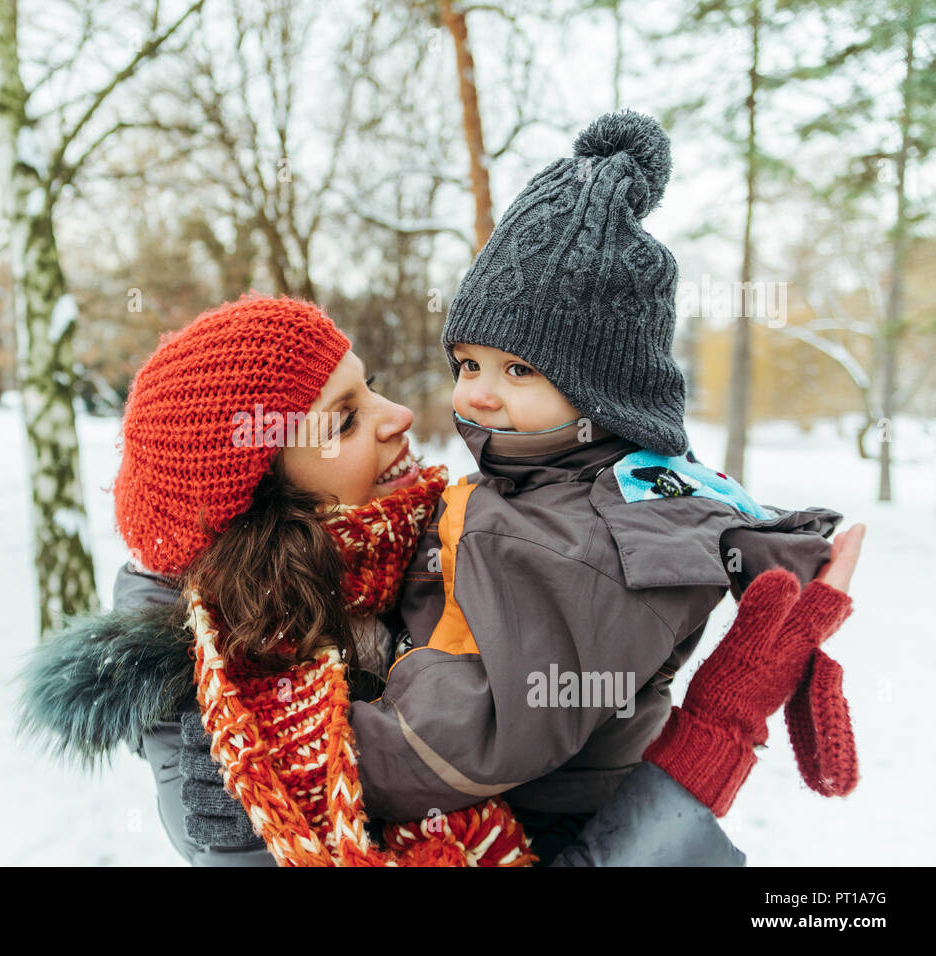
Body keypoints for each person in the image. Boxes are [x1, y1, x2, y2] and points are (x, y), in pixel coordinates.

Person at [17, 294, 863, 866]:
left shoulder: (406, 561)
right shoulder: (231, 754)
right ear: (265, 508)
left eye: (370, 385)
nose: (400, 417)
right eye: (345, 419)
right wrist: (716, 728)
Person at [343, 111, 849, 853]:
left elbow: (476, 735)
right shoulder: (544, 486)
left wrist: (317, 736)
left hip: (544, 828)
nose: (477, 394)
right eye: (469, 364)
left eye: (519, 369)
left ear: (603, 391)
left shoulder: (595, 540)